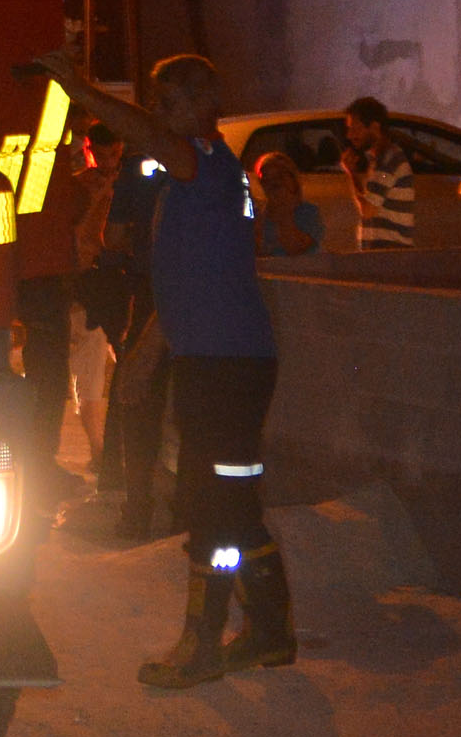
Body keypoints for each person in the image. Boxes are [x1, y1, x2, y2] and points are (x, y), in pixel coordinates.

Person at [30, 47, 294, 688]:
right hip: (217, 362)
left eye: (173, 102)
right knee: (228, 503)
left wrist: (81, 91)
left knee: (211, 504)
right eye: (158, 104)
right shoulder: (191, 183)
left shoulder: (202, 166)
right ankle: (268, 632)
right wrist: (149, 353)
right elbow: (184, 281)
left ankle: (204, 642)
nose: (161, 115)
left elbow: (147, 138)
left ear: (208, 106)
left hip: (228, 367)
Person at [57, 125, 175, 541]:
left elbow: (115, 237)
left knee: (133, 392)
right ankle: (138, 490)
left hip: (141, 291)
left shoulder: (132, 178)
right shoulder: (204, 170)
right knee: (137, 391)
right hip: (176, 295)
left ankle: (133, 496)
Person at [341, 94, 418, 252]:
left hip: (389, 255)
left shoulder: (389, 161)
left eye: (355, 129)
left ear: (375, 127)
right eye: (349, 129)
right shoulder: (380, 160)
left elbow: (368, 210)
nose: (349, 136)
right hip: (382, 254)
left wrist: (352, 174)